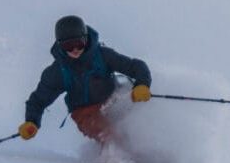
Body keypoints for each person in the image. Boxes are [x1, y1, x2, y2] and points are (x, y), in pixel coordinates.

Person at [18, 15, 152, 144]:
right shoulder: (58, 71)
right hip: (85, 112)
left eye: (79, 43)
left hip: (113, 100)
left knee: (133, 123)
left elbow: (136, 66)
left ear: (86, 39)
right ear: (60, 45)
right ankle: (116, 155)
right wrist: (31, 122)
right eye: (68, 46)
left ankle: (148, 150)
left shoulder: (102, 55)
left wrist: (142, 84)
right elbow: (38, 100)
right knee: (107, 133)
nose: (75, 49)